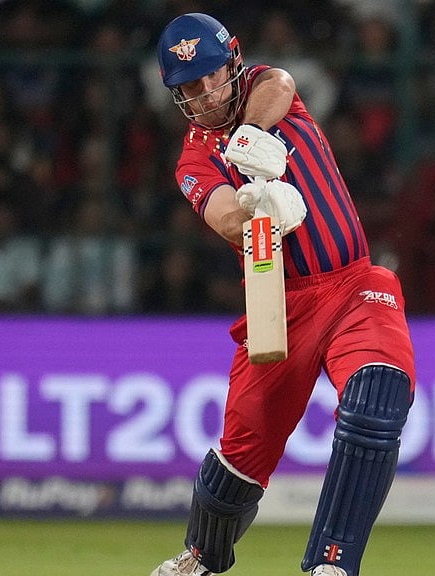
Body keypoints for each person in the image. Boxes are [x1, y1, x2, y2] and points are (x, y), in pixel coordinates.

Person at [149, 13, 416, 576]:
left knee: (376, 402)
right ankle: (202, 556)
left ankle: (332, 564)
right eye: (188, 88)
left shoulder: (264, 89)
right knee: (240, 459)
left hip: (354, 285)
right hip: (279, 304)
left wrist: (251, 140)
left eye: (209, 77)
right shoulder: (194, 157)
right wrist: (251, 206)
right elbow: (222, 217)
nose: (203, 95)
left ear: (233, 61)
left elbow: (281, 83)